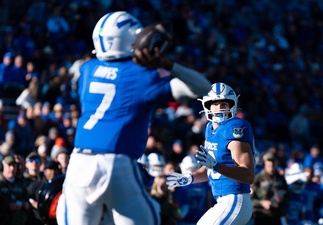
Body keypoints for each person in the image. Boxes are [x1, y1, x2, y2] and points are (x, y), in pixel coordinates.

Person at [56, 11, 211, 225]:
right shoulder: (142, 75)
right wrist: (167, 64)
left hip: (79, 163)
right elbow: (204, 88)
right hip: (116, 162)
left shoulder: (87, 69)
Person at [166, 82, 255, 225]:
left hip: (235, 199)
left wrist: (216, 166)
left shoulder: (235, 127)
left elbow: (248, 175)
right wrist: (189, 178)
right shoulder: (209, 129)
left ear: (232, 105)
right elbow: (209, 170)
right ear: (207, 106)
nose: (219, 108)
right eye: (214, 104)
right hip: (223, 201)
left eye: (224, 104)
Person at [251, 152, 290, 225]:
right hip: (261, 215)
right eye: (269, 161)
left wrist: (282, 199)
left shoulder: (280, 178)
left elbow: (288, 195)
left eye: (273, 161)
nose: (271, 164)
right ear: (264, 162)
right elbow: (250, 199)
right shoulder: (258, 179)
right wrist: (261, 203)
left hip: (277, 215)